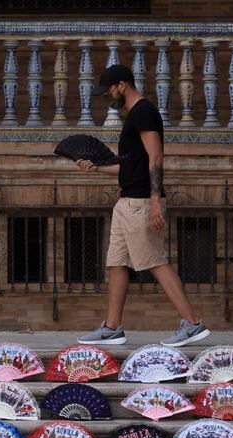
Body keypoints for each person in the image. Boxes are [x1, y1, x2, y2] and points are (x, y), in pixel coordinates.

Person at [75, 64, 210, 347]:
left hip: (140, 202)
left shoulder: (145, 112)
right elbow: (129, 165)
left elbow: (156, 158)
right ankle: (112, 327)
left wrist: (155, 201)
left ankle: (193, 324)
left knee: (155, 261)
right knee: (117, 263)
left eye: (109, 90)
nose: (107, 97)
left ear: (122, 85)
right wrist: (96, 168)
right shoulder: (132, 116)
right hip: (126, 202)